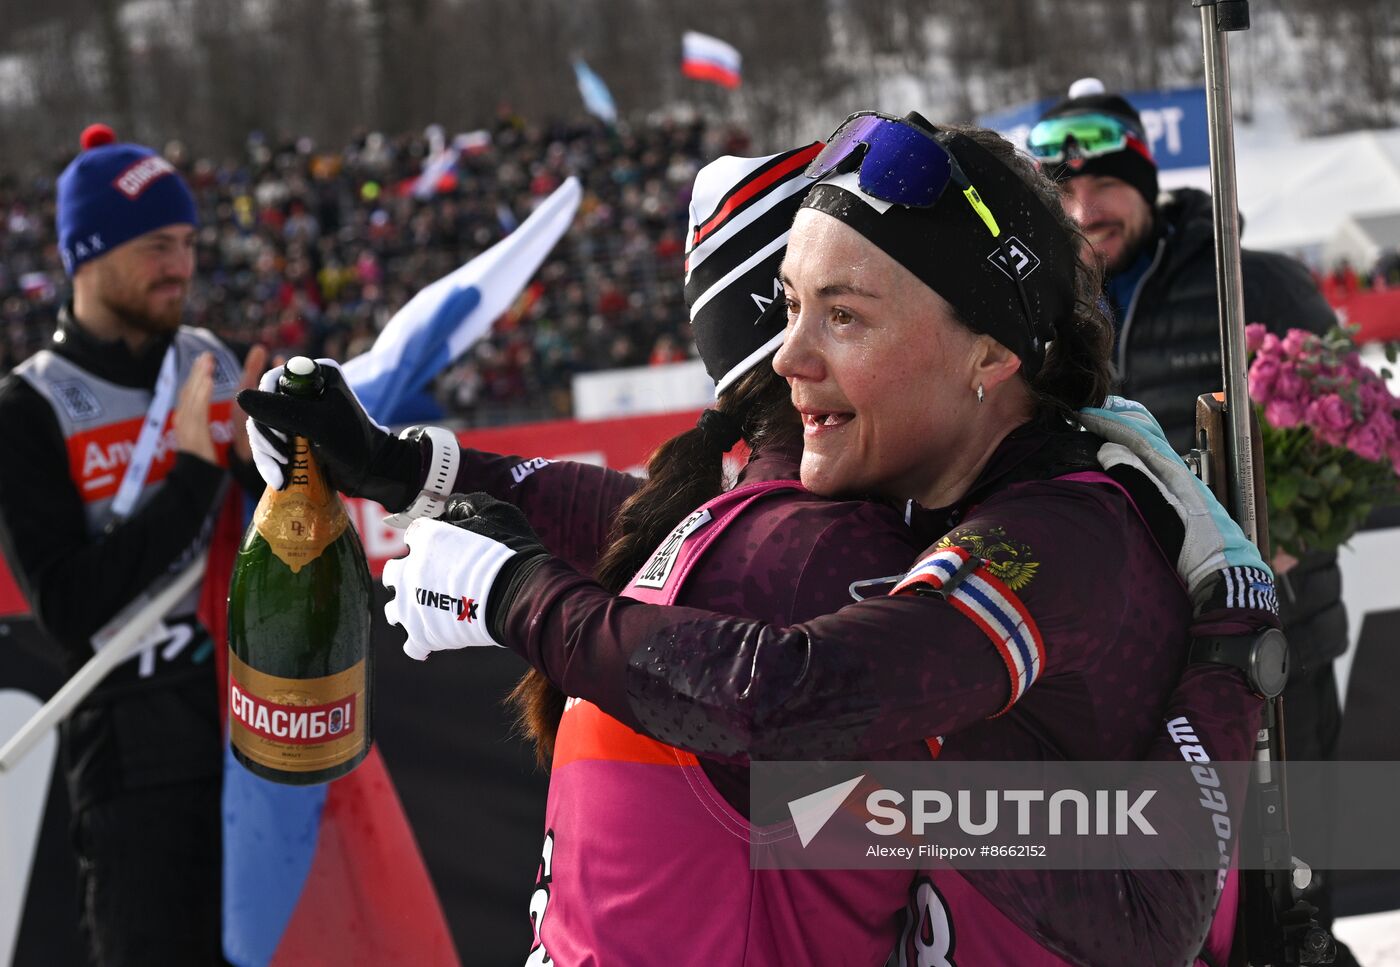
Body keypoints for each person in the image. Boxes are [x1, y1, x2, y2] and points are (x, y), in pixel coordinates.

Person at [243, 117, 1278, 966]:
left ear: (988, 355)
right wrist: (409, 467)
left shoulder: (1046, 535)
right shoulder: (925, 482)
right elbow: (677, 528)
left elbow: (787, 691)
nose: (785, 357)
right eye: (787, 307)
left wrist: (516, 597)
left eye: (842, 317)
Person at [1027, 80, 1356, 964]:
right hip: (1147, 666)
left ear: (1146, 181)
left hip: (1280, 644)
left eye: (1105, 186)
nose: (1086, 209)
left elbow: (1361, 439)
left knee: (1296, 891)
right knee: (1188, 905)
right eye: (1064, 195)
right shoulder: (1048, 315)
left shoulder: (1252, 281)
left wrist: (1285, 529)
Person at [0, 124, 265, 965]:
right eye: (156, 245)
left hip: (247, 732)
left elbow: (269, 541)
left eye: (187, 243)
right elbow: (71, 607)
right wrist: (192, 474)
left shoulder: (212, 363)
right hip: (130, 765)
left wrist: (280, 471)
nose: (180, 266)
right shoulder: (29, 407)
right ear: (88, 252)